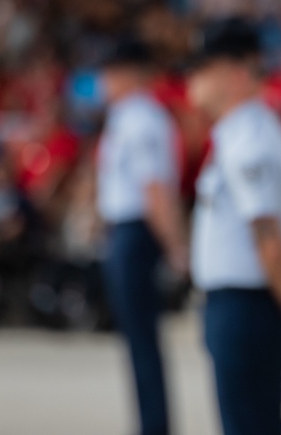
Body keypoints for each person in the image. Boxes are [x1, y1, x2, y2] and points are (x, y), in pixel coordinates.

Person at [185, 17, 281, 435]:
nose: (194, 79)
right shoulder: (238, 132)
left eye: (205, 68)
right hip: (238, 305)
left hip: (246, 306)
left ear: (238, 73)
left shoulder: (249, 137)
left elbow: (269, 237)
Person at [96, 37, 188, 435]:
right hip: (125, 229)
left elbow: (155, 188)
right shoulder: (123, 117)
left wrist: (175, 246)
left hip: (138, 233)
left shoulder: (142, 119)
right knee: (136, 338)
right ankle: (150, 422)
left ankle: (155, 426)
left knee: (143, 338)